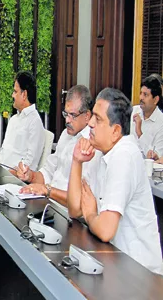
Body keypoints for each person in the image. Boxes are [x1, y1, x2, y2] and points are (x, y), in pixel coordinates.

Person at [68, 88, 162, 274]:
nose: (91, 124)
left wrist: (91, 215)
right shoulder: (100, 151)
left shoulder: (124, 155)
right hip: (113, 260)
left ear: (116, 131)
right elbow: (74, 209)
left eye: (98, 118)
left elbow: (105, 230)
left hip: (141, 274)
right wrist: (77, 161)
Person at [14, 85, 93, 205]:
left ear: (87, 116)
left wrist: (47, 190)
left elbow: (80, 201)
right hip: (48, 202)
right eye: (66, 114)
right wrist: (30, 176)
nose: (67, 120)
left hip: (67, 213)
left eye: (73, 115)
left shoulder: (91, 144)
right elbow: (47, 173)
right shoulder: (66, 135)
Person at [0, 71, 45, 170]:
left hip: (16, 179)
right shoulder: (14, 119)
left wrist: (11, 173)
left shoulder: (35, 122)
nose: (12, 95)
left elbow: (30, 163)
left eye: (15, 91)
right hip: (1, 172)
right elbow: (3, 151)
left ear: (24, 94)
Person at [130, 75, 163, 160]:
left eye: (145, 95)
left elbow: (156, 157)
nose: (141, 98)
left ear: (155, 100)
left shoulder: (161, 122)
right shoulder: (133, 111)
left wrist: (140, 133)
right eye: (140, 93)